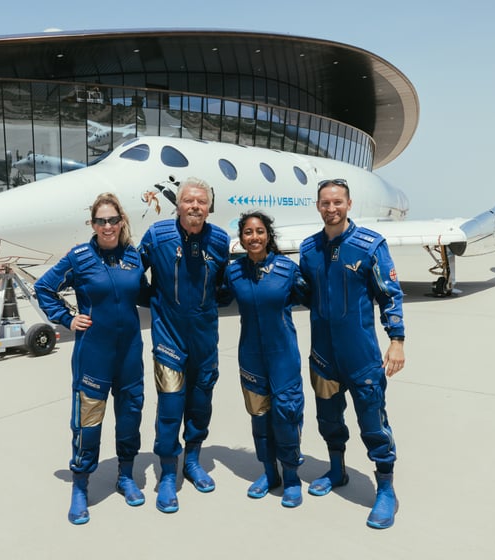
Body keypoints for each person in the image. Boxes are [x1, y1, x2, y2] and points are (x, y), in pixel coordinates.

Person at [34, 192, 149, 525]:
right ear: (93, 224)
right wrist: (67, 318)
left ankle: (125, 476)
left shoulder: (133, 256)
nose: (108, 226)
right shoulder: (79, 256)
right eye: (101, 221)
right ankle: (81, 486)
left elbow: (141, 292)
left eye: (113, 219)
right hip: (93, 355)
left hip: (129, 353)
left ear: (122, 221)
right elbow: (44, 287)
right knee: (87, 422)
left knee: (130, 416)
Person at [299, 178, 406, 530]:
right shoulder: (308, 249)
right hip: (323, 357)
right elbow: (301, 291)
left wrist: (396, 340)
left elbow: (390, 294)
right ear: (318, 206)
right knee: (328, 420)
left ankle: (386, 489)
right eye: (325, 203)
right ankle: (336, 469)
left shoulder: (370, 245)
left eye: (337, 202)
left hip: (361, 357)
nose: (331, 208)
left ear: (349, 204)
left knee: (373, 424)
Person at [138, 177, 230, 513]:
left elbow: (225, 286)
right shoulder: (157, 236)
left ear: (208, 207)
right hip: (169, 338)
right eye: (189, 201)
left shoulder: (220, 239)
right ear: (178, 205)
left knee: (200, 404)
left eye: (201, 202)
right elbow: (135, 275)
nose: (195, 207)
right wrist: (157, 303)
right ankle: (167, 472)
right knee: (171, 406)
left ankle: (193, 460)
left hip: (205, 340)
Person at [219, 211, 309, 508]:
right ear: (241, 238)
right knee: (259, 418)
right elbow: (213, 298)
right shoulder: (233, 273)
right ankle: (270, 473)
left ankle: (292, 477)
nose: (254, 237)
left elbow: (309, 297)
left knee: (286, 415)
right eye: (247, 232)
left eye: (259, 231)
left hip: (283, 356)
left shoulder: (287, 269)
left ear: (268, 235)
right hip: (251, 357)